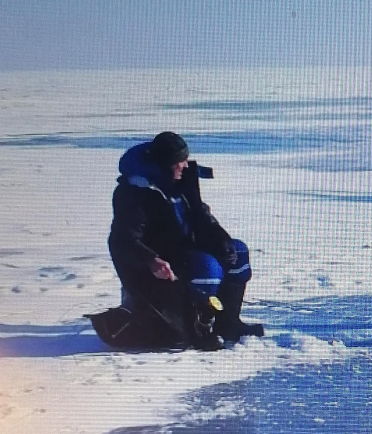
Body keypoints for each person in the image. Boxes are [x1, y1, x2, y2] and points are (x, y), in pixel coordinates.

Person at [91, 132, 264, 350]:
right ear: (164, 163)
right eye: (179, 162)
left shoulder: (180, 181)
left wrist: (222, 239)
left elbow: (201, 216)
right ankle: (197, 331)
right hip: (158, 263)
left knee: (237, 252)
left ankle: (228, 323)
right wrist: (151, 260)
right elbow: (123, 239)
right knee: (206, 267)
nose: (185, 166)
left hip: (185, 248)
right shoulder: (134, 191)